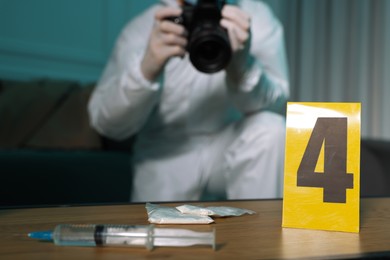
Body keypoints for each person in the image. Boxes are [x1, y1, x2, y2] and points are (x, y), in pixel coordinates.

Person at [88, 0, 289, 202]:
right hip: (164, 154)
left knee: (271, 129)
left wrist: (242, 67)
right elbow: (106, 125)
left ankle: (259, 230)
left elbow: (277, 106)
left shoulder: (255, 16)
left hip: (230, 145)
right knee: (161, 229)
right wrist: (147, 67)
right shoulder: (143, 27)